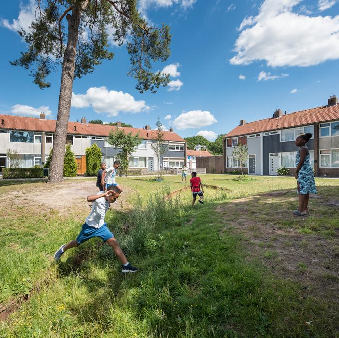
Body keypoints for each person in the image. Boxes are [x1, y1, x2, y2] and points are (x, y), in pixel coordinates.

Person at [54, 185, 138, 273]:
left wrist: (119, 190)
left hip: (101, 227)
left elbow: (116, 190)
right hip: (90, 227)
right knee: (76, 243)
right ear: (109, 195)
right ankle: (62, 249)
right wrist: (103, 195)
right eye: (115, 198)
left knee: (114, 242)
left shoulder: (110, 196)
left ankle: (126, 266)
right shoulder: (100, 198)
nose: (115, 200)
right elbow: (88, 198)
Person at [293, 133, 317, 216]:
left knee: (301, 190)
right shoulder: (304, 148)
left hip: (304, 172)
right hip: (306, 171)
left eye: (298, 140)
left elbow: (301, 161)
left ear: (304, 141)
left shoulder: (303, 149)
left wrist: (296, 171)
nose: (296, 141)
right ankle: (305, 209)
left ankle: (300, 210)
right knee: (305, 191)